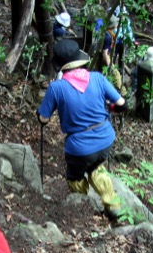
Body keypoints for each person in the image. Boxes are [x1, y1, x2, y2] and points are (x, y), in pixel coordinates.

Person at [37, 39, 126, 221]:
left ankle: (82, 205)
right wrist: (108, 108)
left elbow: (43, 119)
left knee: (74, 176)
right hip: (106, 138)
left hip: (79, 147)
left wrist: (41, 113)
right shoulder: (98, 78)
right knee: (95, 167)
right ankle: (114, 206)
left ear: (60, 65)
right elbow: (122, 104)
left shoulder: (56, 88)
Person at [101, 16, 123, 91]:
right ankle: (121, 92)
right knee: (117, 76)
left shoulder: (108, 33)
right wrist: (110, 66)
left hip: (107, 57)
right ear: (113, 25)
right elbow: (105, 54)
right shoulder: (107, 37)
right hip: (105, 59)